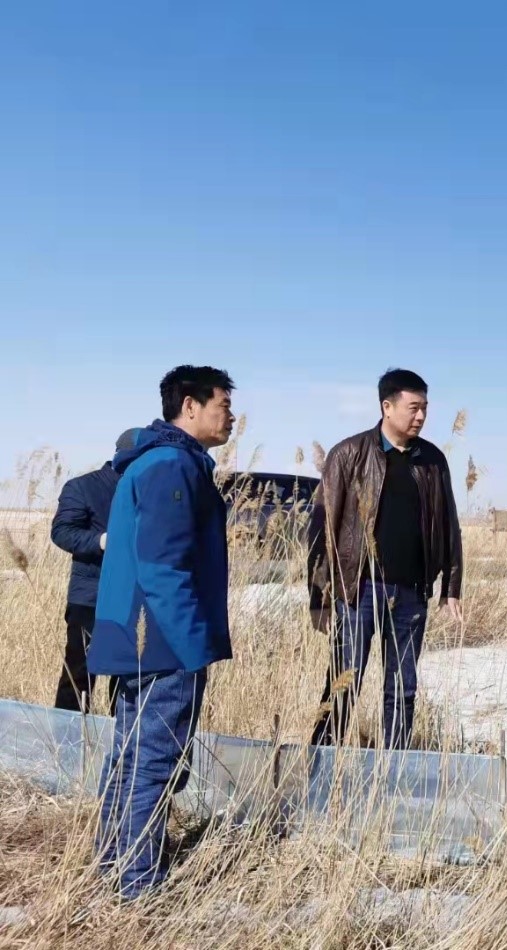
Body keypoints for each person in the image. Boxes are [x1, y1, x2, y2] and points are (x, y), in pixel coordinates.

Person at [89, 366, 236, 899]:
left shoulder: (156, 460)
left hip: (139, 637)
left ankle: (112, 863)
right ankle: (138, 884)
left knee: (130, 756)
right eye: (223, 404)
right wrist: (194, 647)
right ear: (190, 406)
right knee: (153, 762)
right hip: (164, 642)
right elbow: (163, 566)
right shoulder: (172, 465)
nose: (231, 416)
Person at [307, 368, 464, 750]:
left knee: (403, 688)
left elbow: (449, 524)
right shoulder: (349, 454)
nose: (421, 416)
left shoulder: (432, 460)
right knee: (343, 683)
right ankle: (321, 763)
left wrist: (451, 586)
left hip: (411, 593)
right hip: (357, 591)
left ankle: (394, 768)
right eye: (413, 408)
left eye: (425, 408)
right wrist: (319, 597)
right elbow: (321, 531)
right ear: (387, 407)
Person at [48, 429, 140, 712]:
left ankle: (121, 733)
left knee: (127, 678)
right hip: (90, 596)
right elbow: (61, 532)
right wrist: (102, 541)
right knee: (79, 673)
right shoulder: (83, 486)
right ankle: (67, 734)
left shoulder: (148, 491)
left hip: (134, 598)